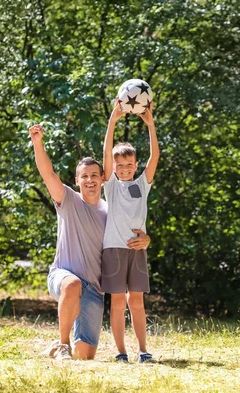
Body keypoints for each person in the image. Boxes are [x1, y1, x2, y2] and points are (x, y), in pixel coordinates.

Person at [29, 124, 150, 361]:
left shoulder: (111, 211)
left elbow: (131, 238)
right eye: (84, 176)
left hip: (94, 290)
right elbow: (48, 173)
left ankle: (60, 346)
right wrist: (38, 143)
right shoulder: (68, 200)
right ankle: (63, 344)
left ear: (103, 177)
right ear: (77, 180)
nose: (90, 180)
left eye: (94, 175)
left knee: (85, 356)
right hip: (63, 277)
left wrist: (146, 239)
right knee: (72, 284)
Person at [101, 98, 159, 363]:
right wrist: (112, 121)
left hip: (137, 250)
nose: (124, 169)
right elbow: (107, 154)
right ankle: (121, 352)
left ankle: (143, 351)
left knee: (136, 301)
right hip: (114, 249)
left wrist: (151, 125)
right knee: (116, 302)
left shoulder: (141, 184)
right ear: (114, 168)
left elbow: (155, 156)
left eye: (129, 165)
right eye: (119, 165)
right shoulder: (110, 184)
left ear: (135, 165)